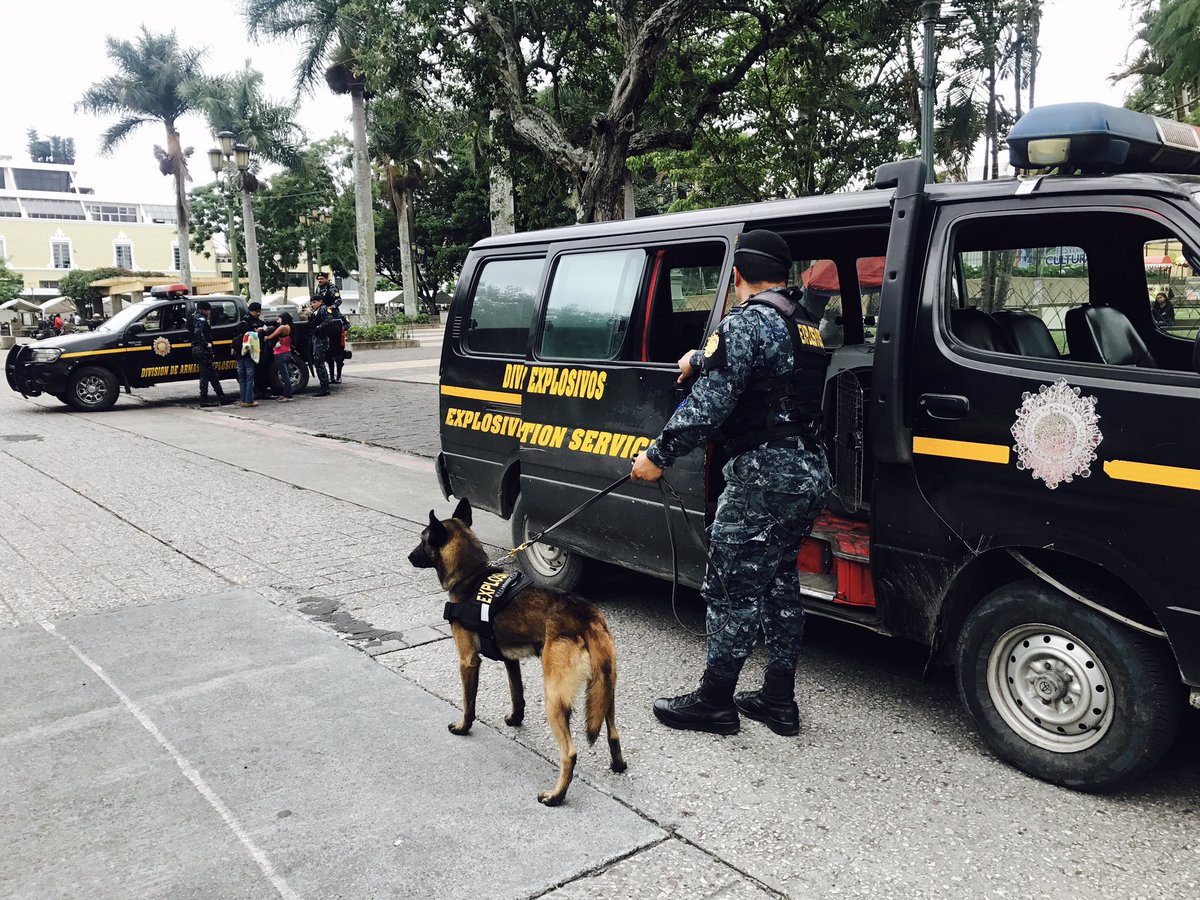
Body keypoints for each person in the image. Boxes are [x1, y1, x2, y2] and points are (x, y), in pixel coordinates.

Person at [630, 229, 832, 738]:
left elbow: (707, 407)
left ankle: (715, 703)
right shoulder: (806, 324)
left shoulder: (743, 323)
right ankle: (778, 700)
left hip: (763, 475)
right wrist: (699, 360)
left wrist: (657, 456)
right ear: (785, 275)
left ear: (736, 275)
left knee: (732, 588)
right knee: (780, 580)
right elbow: (768, 371)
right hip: (808, 469)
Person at [191, 301, 229, 407]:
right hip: (202, 349)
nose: (208, 312)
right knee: (205, 375)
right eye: (207, 310)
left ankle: (222, 397)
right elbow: (198, 333)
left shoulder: (192, 318)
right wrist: (206, 344)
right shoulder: (201, 319)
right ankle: (204, 399)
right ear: (202, 310)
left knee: (211, 374)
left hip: (196, 348)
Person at [233, 301, 266, 407]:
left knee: (242, 380)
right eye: (257, 311)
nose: (258, 313)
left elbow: (232, 351)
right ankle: (249, 400)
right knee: (249, 379)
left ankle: (243, 400)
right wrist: (257, 333)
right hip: (249, 357)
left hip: (239, 359)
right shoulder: (249, 335)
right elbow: (251, 344)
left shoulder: (235, 339)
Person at [263, 311, 295, 402]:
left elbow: (271, 336)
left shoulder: (282, 327)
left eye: (279, 318)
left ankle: (288, 395)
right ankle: (288, 393)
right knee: (287, 374)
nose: (278, 320)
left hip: (280, 353)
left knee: (284, 375)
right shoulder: (289, 327)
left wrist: (266, 337)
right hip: (287, 352)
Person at [308, 293, 332, 397]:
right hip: (317, 339)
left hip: (321, 339)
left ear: (320, 302)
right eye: (312, 302)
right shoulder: (316, 311)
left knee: (319, 363)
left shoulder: (324, 309)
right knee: (318, 363)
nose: (313, 304)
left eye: (314, 302)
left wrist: (319, 327)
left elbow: (329, 320)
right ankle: (324, 386)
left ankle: (325, 388)